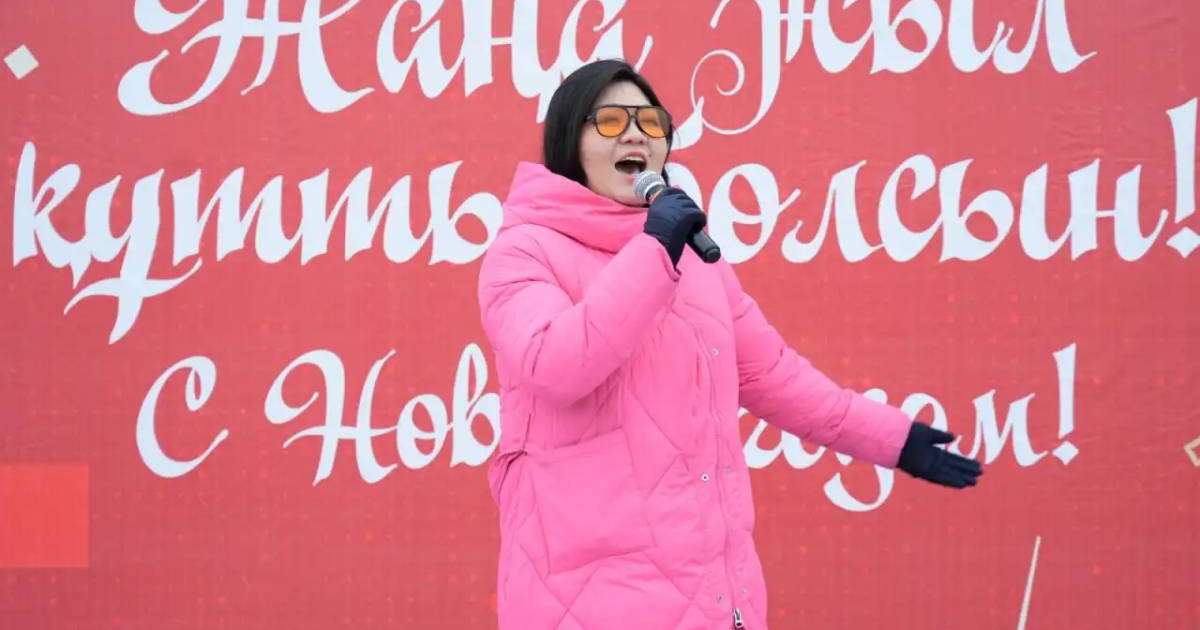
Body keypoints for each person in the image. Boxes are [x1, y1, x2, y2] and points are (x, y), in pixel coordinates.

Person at [476, 59, 983, 630]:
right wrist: (654, 249)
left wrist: (892, 439)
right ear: (571, 141)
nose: (639, 133)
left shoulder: (691, 260)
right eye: (612, 121)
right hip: (586, 603)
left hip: (714, 599)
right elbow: (558, 364)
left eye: (652, 121)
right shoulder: (525, 253)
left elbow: (775, 376)